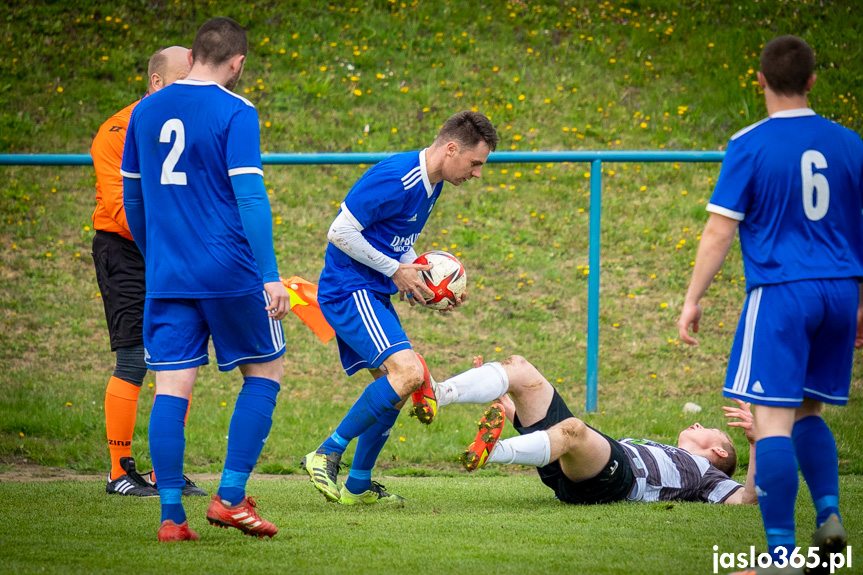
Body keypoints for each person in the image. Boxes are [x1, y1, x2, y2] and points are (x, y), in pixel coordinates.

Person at [677, 35, 861, 573]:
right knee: (809, 411)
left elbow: (719, 230)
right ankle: (829, 514)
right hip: (842, 293)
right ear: (811, 81)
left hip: (783, 293)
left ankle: (780, 555)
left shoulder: (750, 144)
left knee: (773, 421)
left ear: (760, 81)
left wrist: (693, 298)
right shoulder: (849, 143)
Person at [121, 17, 289, 542]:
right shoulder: (237, 111)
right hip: (230, 270)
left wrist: (158, 258)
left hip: (168, 274)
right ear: (237, 64)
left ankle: (172, 516)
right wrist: (270, 276)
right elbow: (250, 196)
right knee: (265, 371)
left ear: (191, 56)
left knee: (171, 387)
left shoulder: (143, 111)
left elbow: (133, 199)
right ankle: (231, 498)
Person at [302, 111, 499, 505]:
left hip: (372, 290)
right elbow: (339, 231)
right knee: (409, 372)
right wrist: (396, 271)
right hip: (349, 288)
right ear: (451, 148)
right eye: (475, 163)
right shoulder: (396, 177)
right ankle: (326, 452)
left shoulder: (433, 184)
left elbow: (394, 241)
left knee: (396, 385)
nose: (477, 174)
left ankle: (357, 486)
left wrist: (423, 283)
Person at [91, 45, 206, 499]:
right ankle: (119, 471)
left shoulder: (193, 125)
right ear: (157, 83)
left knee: (177, 358)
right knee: (134, 358)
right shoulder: (117, 130)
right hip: (126, 250)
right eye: (183, 80)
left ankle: (165, 472)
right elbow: (121, 209)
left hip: (173, 250)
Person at [440, 355, 757, 507]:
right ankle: (438, 393)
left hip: (617, 480)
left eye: (712, 430)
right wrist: (504, 397)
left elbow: (747, 500)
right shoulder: (661, 448)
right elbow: (538, 428)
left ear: (720, 452)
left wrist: (756, 443)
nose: (699, 424)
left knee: (574, 429)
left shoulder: (708, 476)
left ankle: (491, 452)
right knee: (520, 369)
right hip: (576, 463)